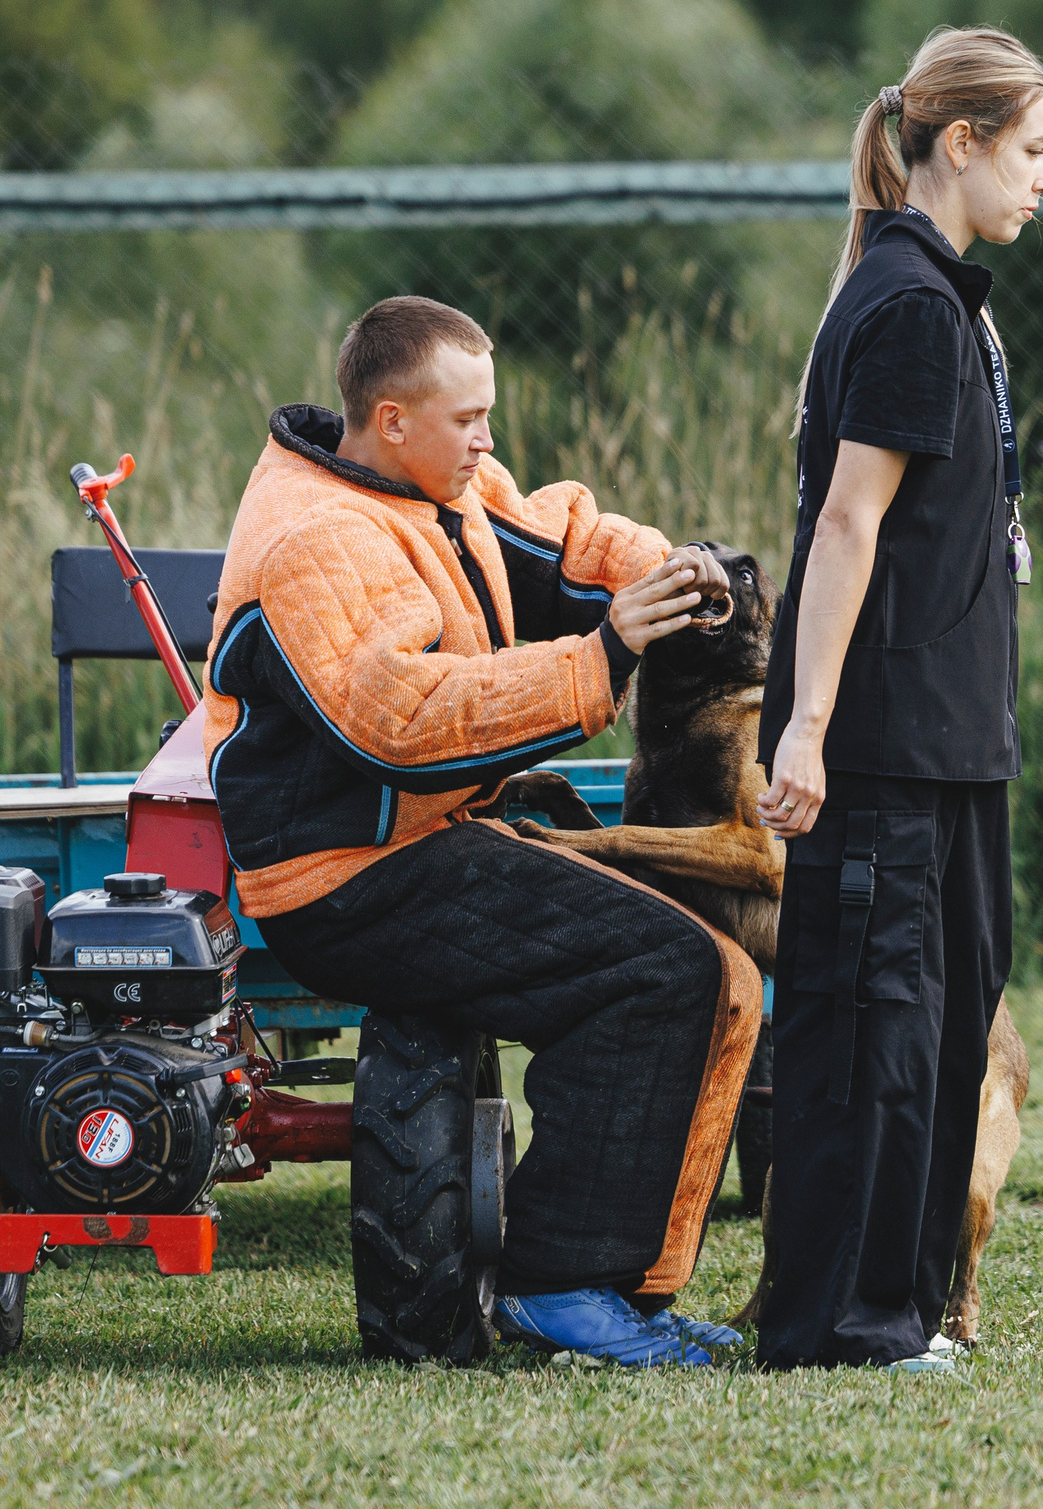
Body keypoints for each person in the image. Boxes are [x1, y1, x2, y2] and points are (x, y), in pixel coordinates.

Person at [203, 295, 760, 1368]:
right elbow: (399, 722)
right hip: (346, 877)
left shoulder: (432, 481)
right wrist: (599, 658)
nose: (486, 440)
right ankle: (560, 1286)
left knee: (712, 971)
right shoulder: (317, 540)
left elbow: (561, 539)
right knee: (667, 971)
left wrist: (673, 571)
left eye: (487, 414)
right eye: (468, 419)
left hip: (432, 836)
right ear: (391, 418)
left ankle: (620, 1291)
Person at [752, 27, 1043, 1372]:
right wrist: (808, 725)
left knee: (943, 1020)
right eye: (1034, 149)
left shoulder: (942, 300)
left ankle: (901, 1307)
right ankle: (843, 1326)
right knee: (873, 1034)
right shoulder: (910, 307)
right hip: (881, 745)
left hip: (955, 744)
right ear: (961, 142)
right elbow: (845, 526)